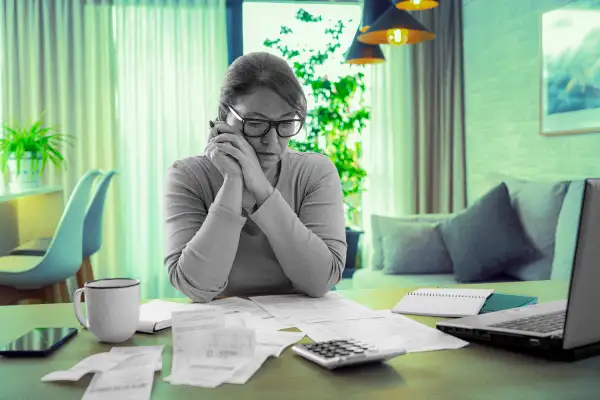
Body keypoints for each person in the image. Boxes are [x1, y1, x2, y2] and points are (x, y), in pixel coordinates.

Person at [164, 51, 347, 303]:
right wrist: (233, 182)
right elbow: (197, 287)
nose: (271, 141)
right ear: (223, 118)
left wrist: (261, 188)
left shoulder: (314, 172)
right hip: (225, 328)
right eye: (255, 123)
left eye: (286, 122)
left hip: (305, 323)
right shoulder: (188, 176)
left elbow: (320, 282)